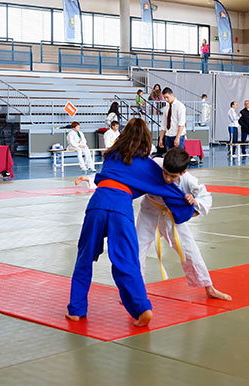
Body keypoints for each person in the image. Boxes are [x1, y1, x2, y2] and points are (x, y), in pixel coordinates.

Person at [66, 118, 194, 327]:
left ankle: (76, 309)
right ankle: (142, 307)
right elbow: (167, 188)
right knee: (126, 260)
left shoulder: (110, 156)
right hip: (120, 208)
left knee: (84, 257)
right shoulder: (146, 165)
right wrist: (187, 204)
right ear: (146, 140)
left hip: (97, 204)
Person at [136, 148, 231, 300]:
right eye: (165, 173)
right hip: (149, 210)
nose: (167, 178)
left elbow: (205, 198)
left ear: (183, 171)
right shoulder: (155, 165)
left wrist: (194, 203)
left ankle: (209, 288)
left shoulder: (189, 180)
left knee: (190, 249)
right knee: (137, 249)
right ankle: (134, 293)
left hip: (170, 215)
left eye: (172, 176)